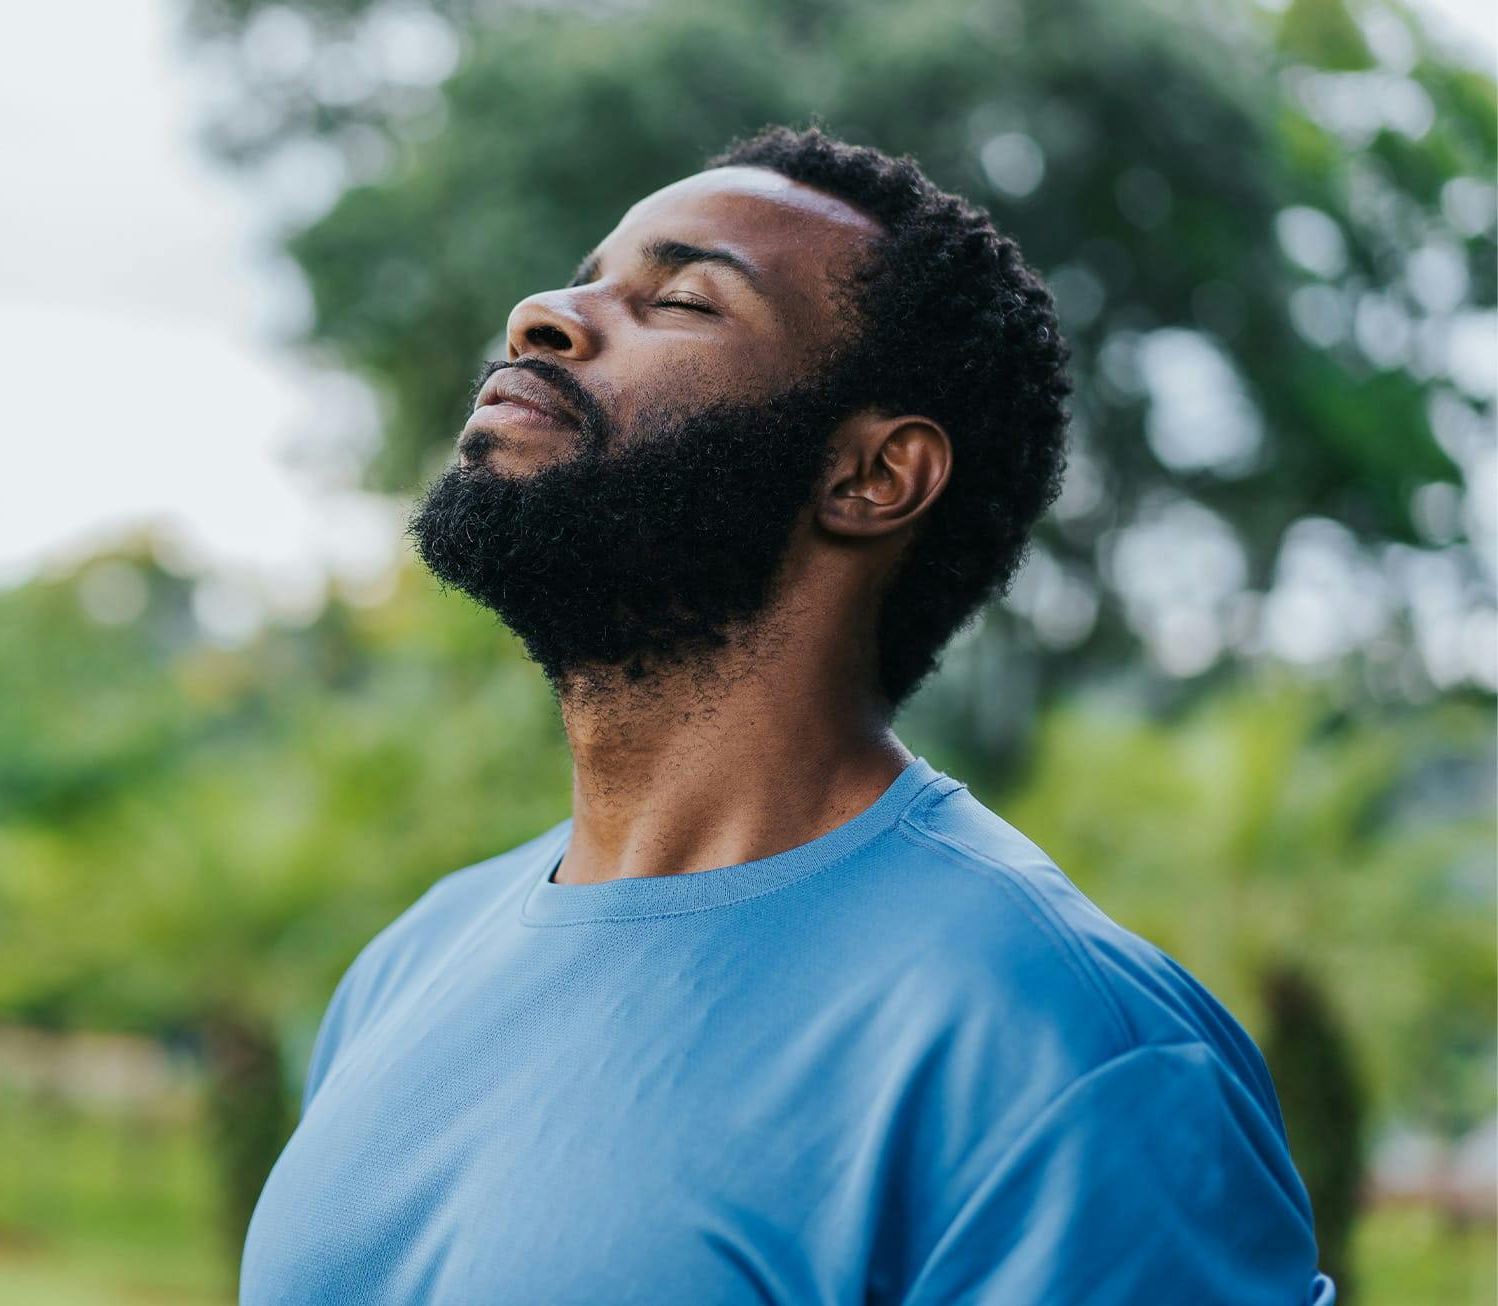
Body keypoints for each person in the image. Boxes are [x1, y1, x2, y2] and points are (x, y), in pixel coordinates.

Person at [239, 124, 1338, 1304]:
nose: (542, 314)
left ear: (870, 477)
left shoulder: (1064, 1048)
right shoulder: (410, 965)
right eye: (586, 273)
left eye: (682, 300)